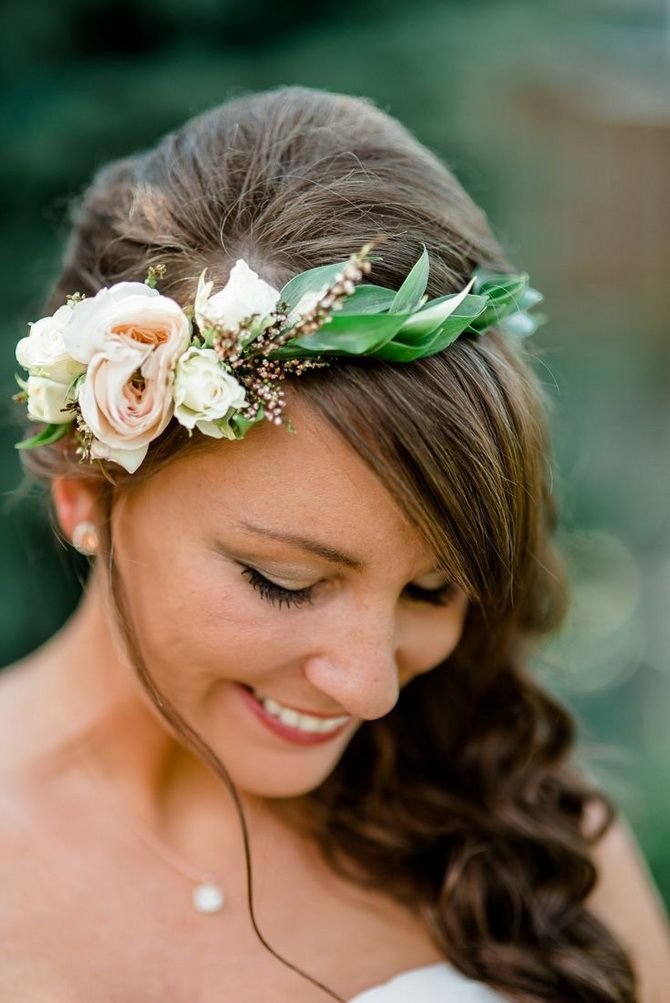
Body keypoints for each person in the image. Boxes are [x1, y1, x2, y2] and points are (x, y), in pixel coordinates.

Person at [1, 84, 668, 1003]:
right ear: (86, 492)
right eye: (286, 580)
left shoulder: (528, 835)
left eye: (433, 590)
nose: (371, 686)